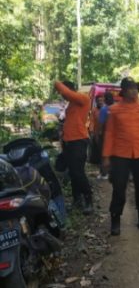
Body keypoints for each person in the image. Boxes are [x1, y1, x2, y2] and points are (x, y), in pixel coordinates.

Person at [102, 78, 139, 235]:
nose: (134, 91)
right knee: (119, 187)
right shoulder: (114, 110)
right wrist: (106, 157)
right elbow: (109, 134)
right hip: (120, 155)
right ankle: (115, 220)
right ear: (124, 91)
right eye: (130, 88)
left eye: (135, 88)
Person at [54, 80, 93, 215]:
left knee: (78, 173)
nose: (63, 96)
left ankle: (89, 200)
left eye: (64, 93)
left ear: (70, 90)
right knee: (72, 173)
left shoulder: (82, 98)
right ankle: (77, 200)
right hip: (69, 142)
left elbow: (65, 92)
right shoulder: (70, 105)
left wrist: (56, 83)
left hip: (79, 142)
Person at [96, 91, 114, 180]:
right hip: (115, 135)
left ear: (105, 99)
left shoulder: (104, 109)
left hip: (105, 134)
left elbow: (100, 124)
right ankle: (111, 173)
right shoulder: (117, 108)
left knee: (103, 154)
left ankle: (103, 173)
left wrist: (98, 134)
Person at [89, 95, 104, 166]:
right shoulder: (94, 110)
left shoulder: (106, 109)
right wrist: (91, 131)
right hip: (96, 133)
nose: (100, 102)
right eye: (99, 101)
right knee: (97, 147)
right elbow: (91, 121)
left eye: (101, 100)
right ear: (96, 102)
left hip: (105, 133)